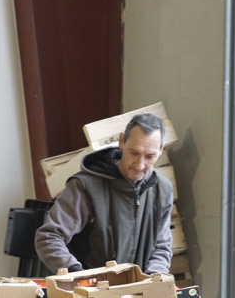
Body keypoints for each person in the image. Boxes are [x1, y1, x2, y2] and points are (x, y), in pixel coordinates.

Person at [35, 112, 175, 275]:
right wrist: (77, 273)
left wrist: (154, 278)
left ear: (160, 151)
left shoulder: (163, 190)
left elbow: (161, 248)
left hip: (137, 292)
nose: (139, 165)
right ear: (122, 141)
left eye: (150, 156)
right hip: (88, 289)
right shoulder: (86, 186)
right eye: (134, 153)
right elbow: (49, 236)